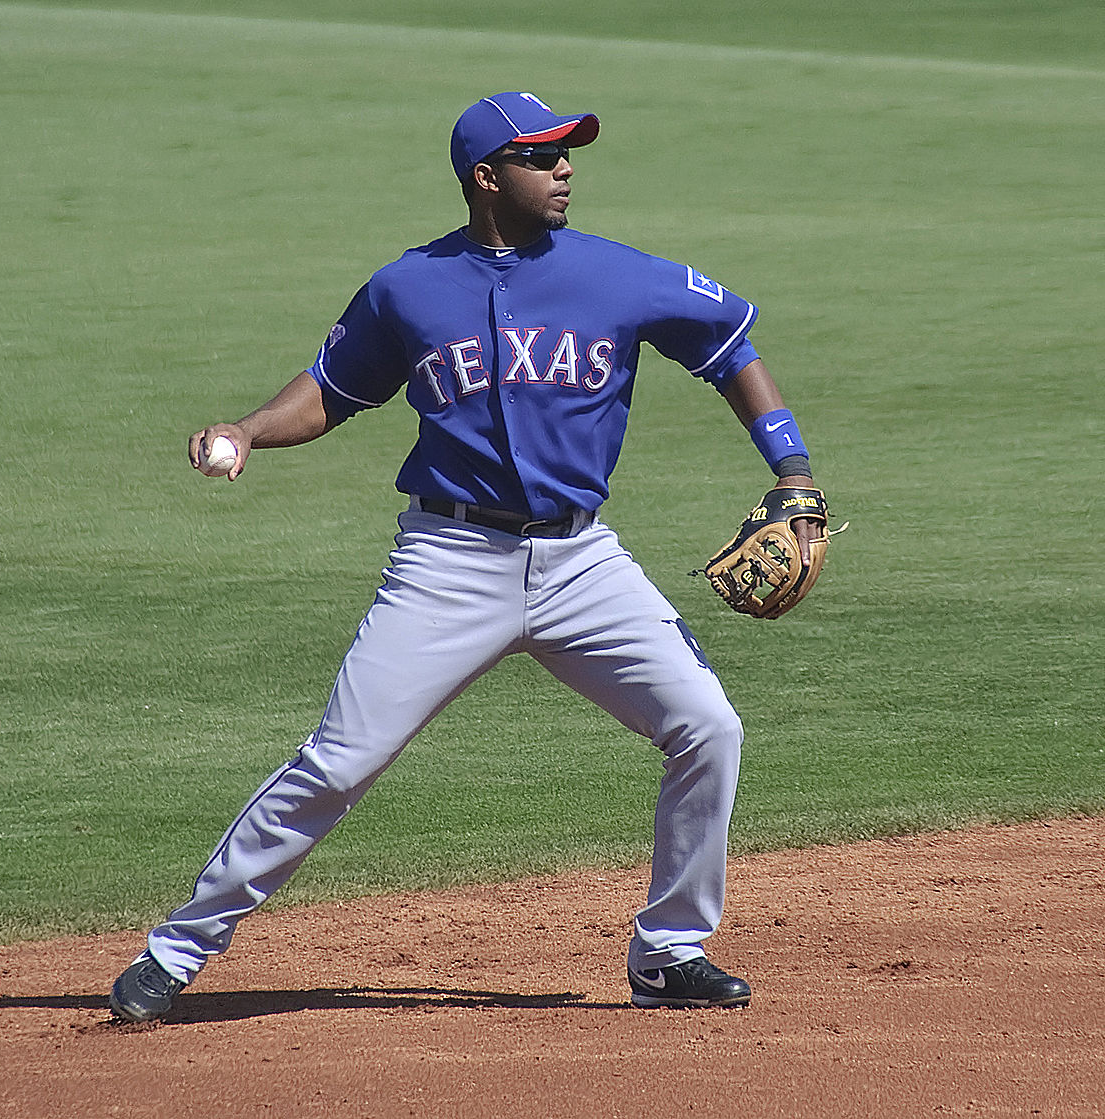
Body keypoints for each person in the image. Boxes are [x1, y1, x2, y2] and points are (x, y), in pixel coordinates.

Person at [110, 91, 822, 1022]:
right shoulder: (408, 286)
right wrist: (248, 428)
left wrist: (795, 472)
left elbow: (731, 344)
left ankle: (670, 949)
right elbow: (332, 390)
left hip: (583, 565)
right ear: (487, 178)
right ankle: (176, 950)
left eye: (569, 153)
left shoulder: (620, 275)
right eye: (542, 156)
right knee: (339, 763)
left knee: (708, 727)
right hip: (447, 561)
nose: (565, 168)